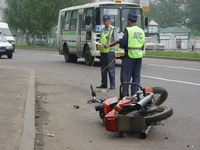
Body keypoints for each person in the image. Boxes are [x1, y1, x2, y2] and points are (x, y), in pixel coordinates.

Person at [105, 13, 145, 96]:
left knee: (126, 75)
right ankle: (135, 94)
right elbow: (142, 44)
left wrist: (120, 43)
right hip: (139, 55)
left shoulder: (128, 30)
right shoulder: (141, 31)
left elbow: (123, 43)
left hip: (129, 55)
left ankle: (125, 94)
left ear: (129, 21)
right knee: (136, 75)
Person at [96, 15, 119, 90]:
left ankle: (112, 85)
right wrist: (98, 42)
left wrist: (109, 44)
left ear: (109, 21)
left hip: (110, 52)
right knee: (103, 69)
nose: (106, 22)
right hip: (103, 51)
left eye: (107, 21)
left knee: (110, 69)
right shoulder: (102, 30)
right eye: (104, 21)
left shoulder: (113, 29)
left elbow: (116, 40)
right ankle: (104, 84)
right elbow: (102, 39)